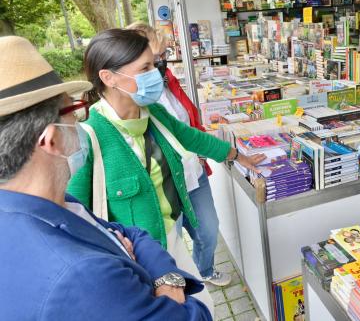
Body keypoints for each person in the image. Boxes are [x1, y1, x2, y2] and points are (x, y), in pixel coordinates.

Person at [0, 35, 211, 320]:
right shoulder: (82, 276)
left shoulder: (48, 203)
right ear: (50, 140)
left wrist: (164, 274)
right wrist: (174, 294)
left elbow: (129, 233)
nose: (80, 120)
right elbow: (194, 316)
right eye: (73, 110)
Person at [68, 29, 264, 294]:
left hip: (172, 239)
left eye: (155, 64)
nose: (156, 73)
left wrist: (239, 157)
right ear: (108, 77)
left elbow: (193, 138)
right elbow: (73, 215)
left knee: (202, 303)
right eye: (145, 67)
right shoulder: (89, 138)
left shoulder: (154, 114)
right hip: (138, 262)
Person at [127, 22, 229, 286]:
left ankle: (204, 271)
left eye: (163, 57)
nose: (161, 64)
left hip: (193, 172)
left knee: (208, 230)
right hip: (165, 183)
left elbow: (187, 127)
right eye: (153, 59)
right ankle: (186, 281)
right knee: (172, 242)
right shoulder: (130, 101)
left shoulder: (166, 80)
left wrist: (225, 152)